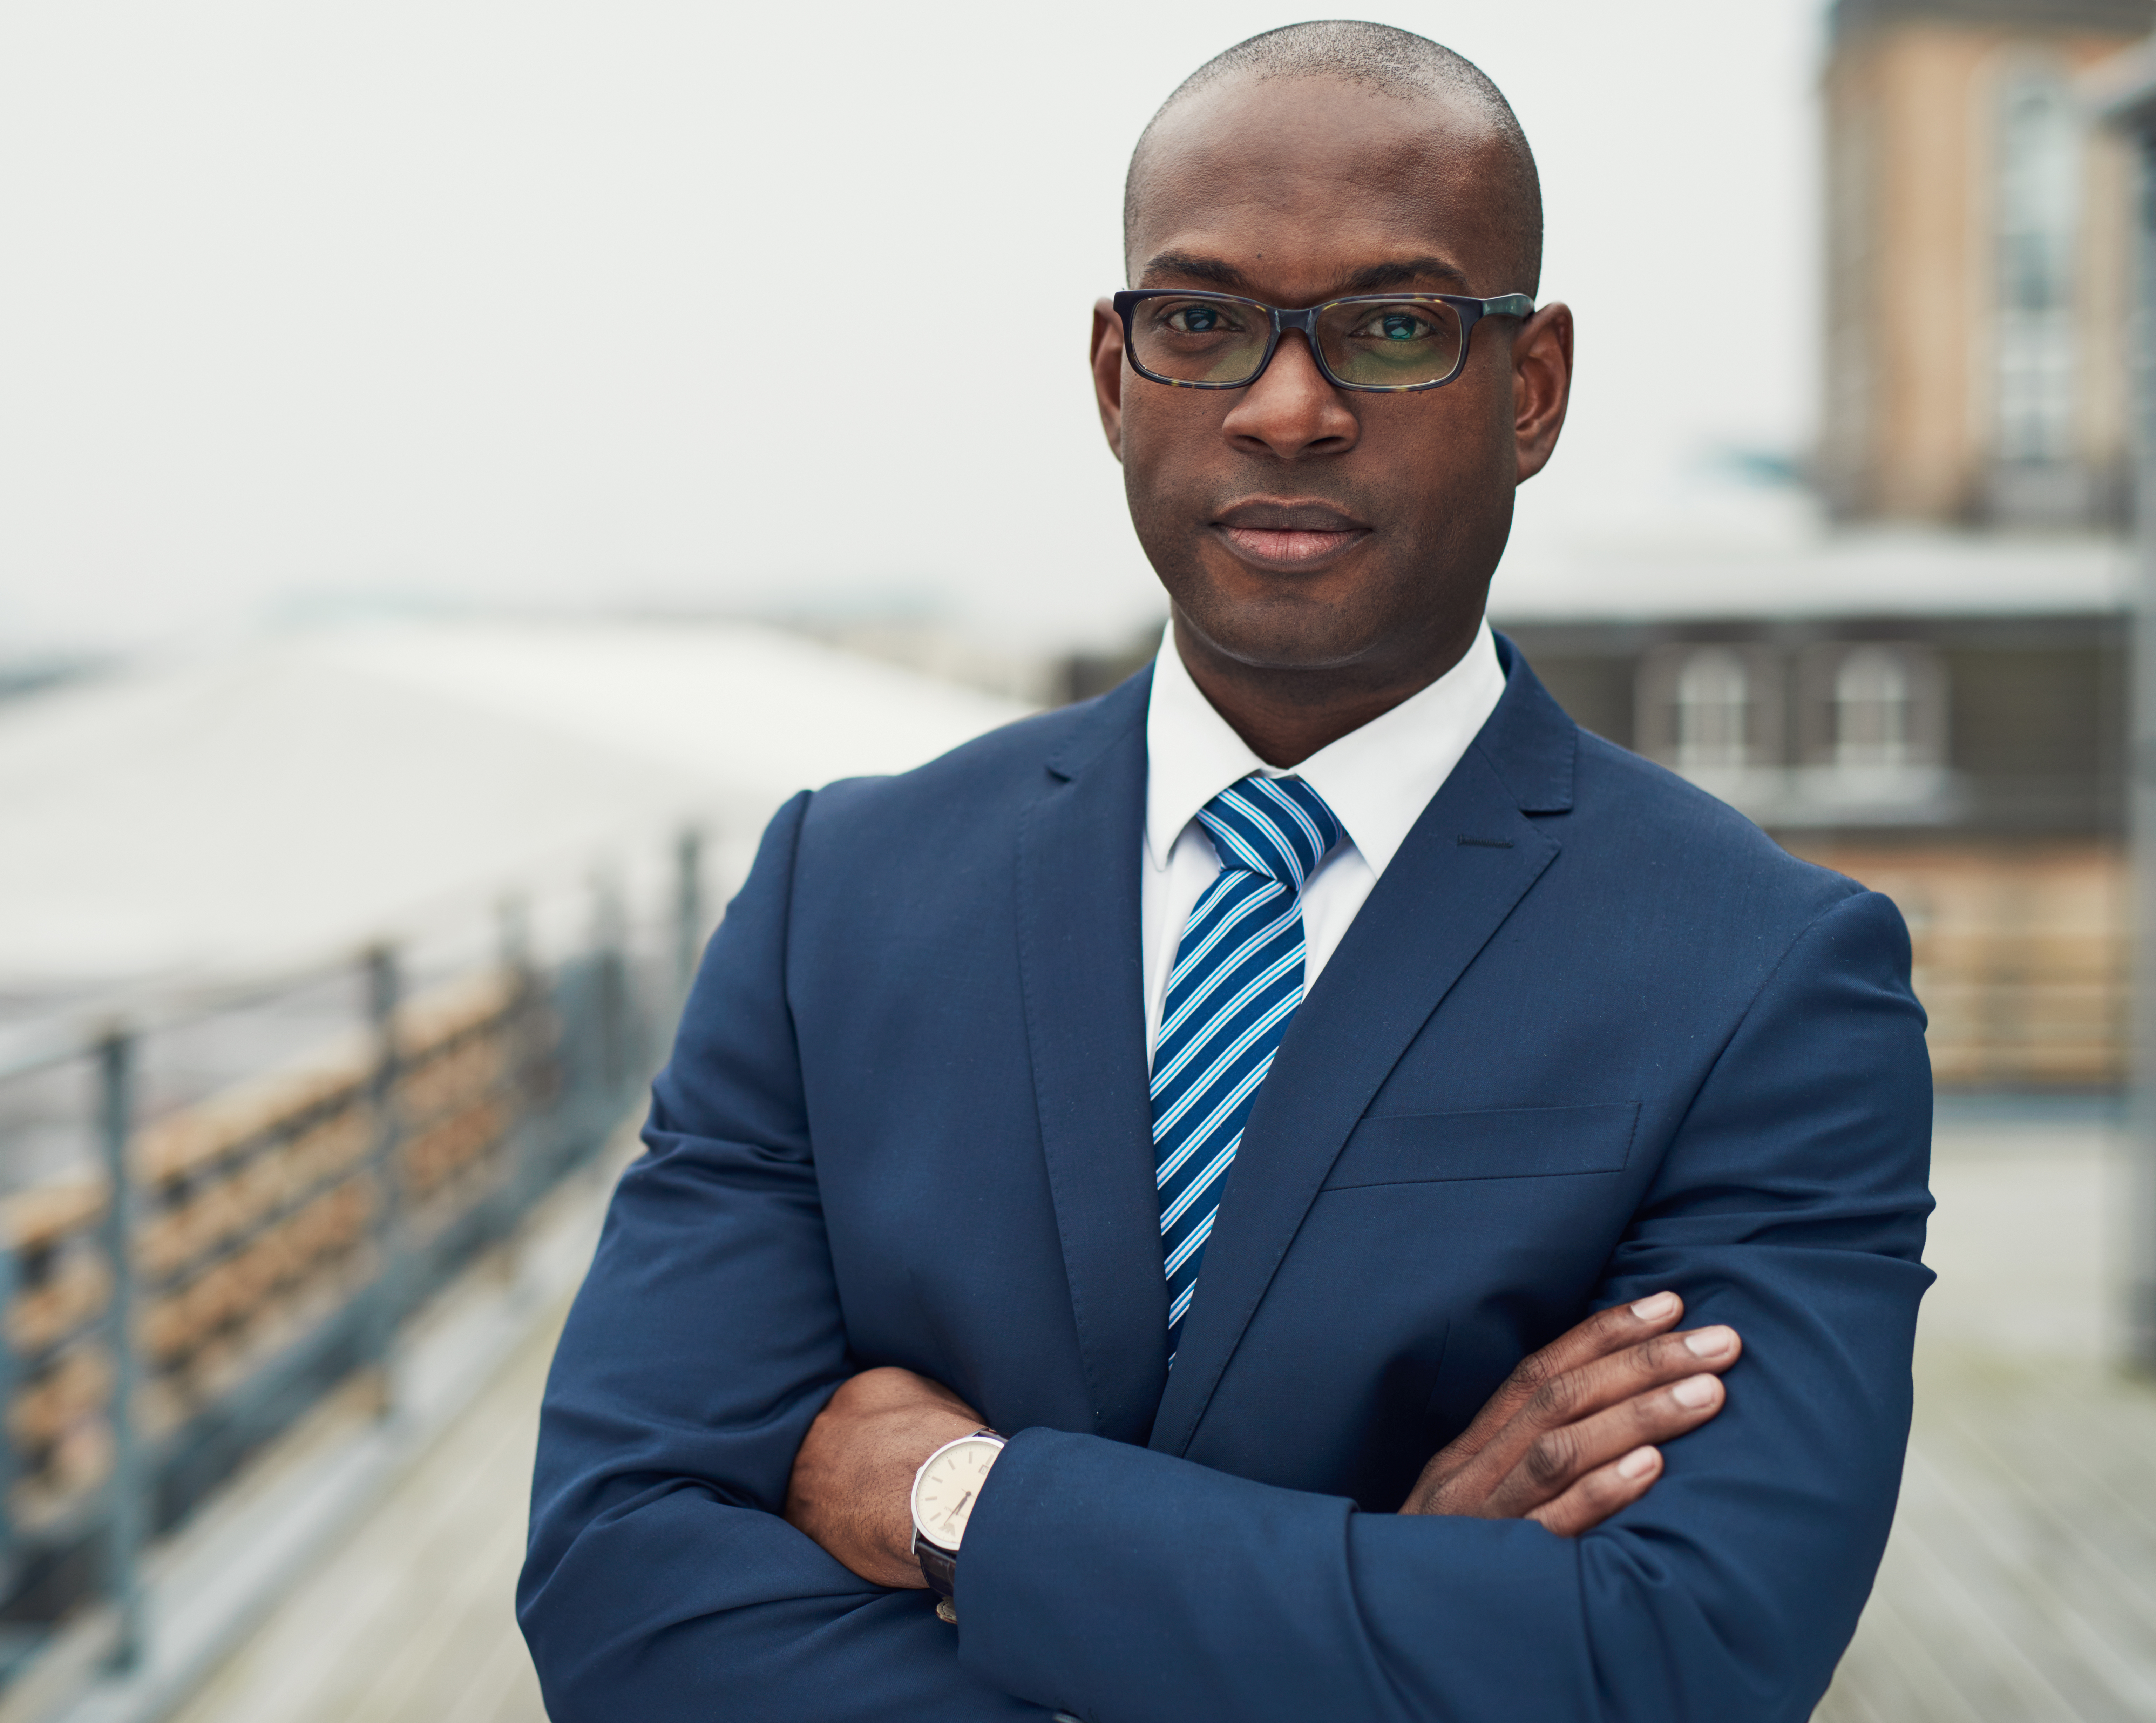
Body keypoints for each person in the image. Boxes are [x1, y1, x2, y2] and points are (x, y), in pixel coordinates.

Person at [518, 21, 1931, 1722]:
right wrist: (1384, 1586)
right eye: (1202, 323)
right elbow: (617, 1578)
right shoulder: (844, 894)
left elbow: (1673, 1656)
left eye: (1395, 329)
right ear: (1115, 374)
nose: (1287, 407)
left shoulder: (1765, 976)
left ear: (1533, 386)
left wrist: (961, 1504)